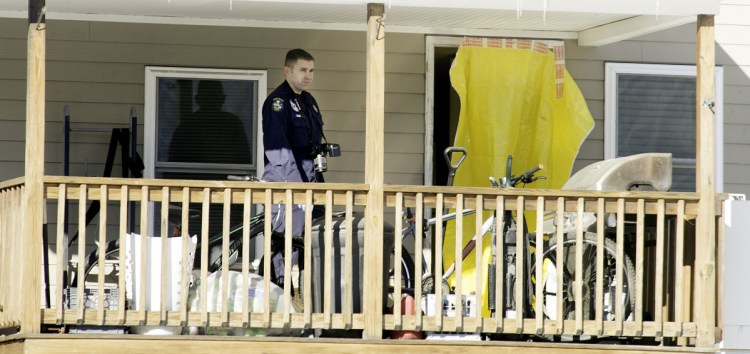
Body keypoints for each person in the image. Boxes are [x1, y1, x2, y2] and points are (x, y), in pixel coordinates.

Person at [262, 49, 327, 237]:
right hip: (288, 184)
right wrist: (296, 186)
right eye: (303, 70)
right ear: (287, 71)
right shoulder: (278, 102)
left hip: (312, 184)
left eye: (311, 71)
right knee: (286, 249)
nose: (308, 76)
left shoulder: (309, 101)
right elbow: (277, 149)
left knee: (313, 246)